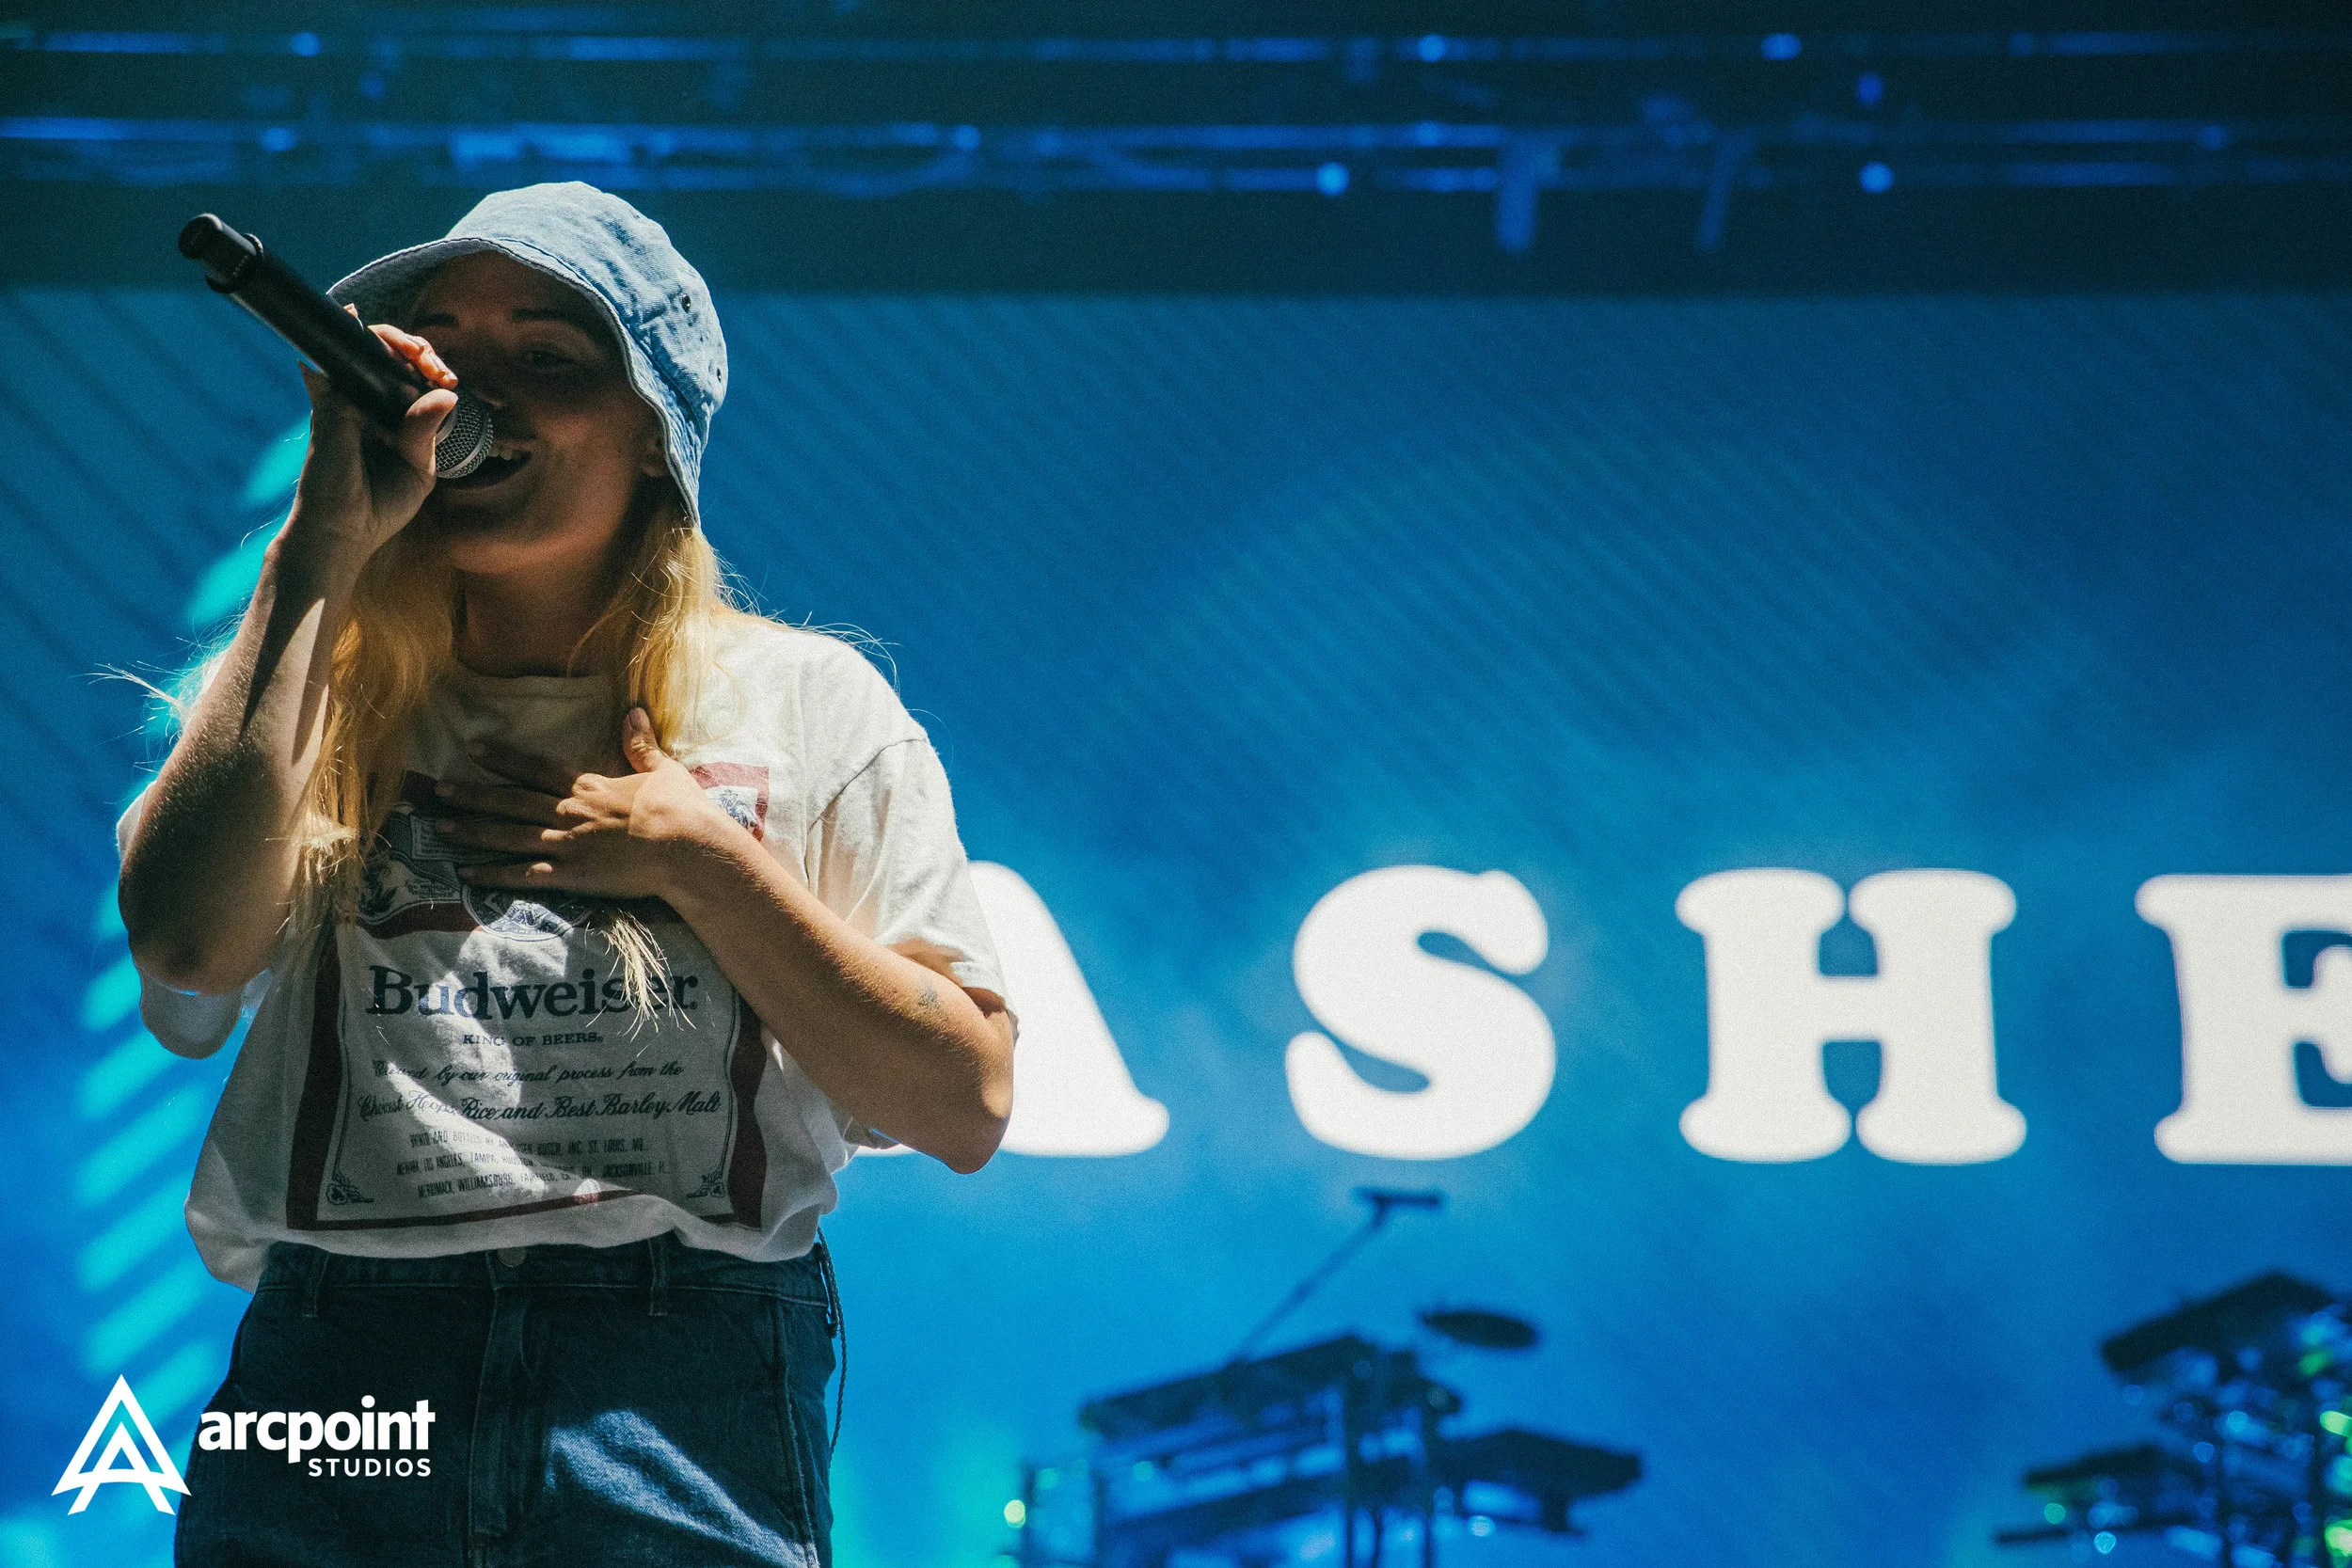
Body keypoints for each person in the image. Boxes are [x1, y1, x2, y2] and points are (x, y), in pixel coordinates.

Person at [113, 182, 1017, 1568]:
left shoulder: (804, 704)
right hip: (336, 1363)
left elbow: (962, 1099)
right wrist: (323, 542)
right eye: (445, 355)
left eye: (549, 362)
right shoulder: (304, 686)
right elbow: (182, 944)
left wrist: (699, 856)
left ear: (657, 441)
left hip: (675, 1377)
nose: (486, 396)